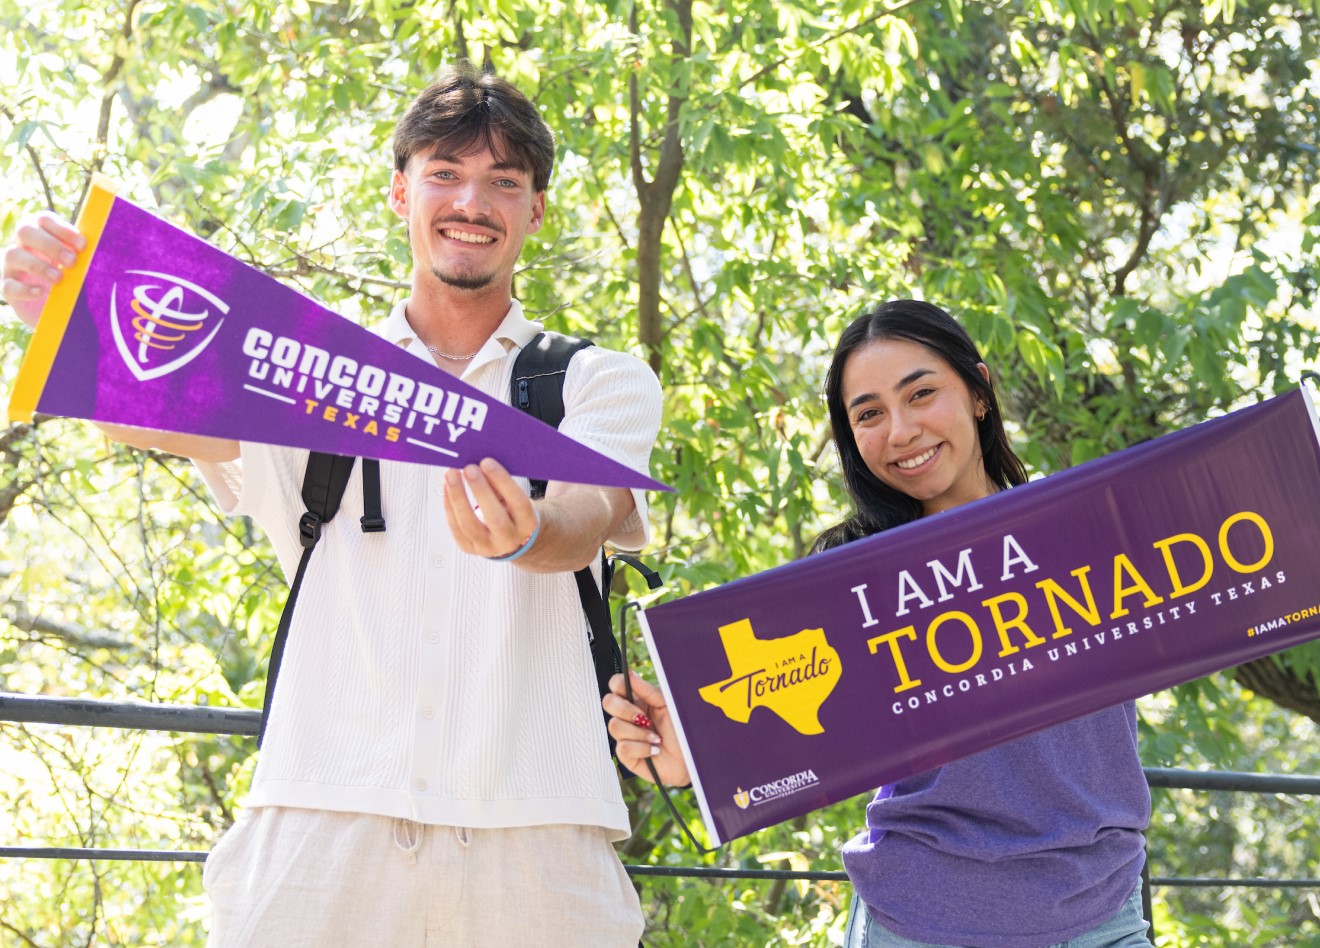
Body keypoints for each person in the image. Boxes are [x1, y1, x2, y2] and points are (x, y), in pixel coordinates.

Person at [3, 62, 661, 946]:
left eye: (504, 182)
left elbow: (588, 520)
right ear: (400, 192)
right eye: (445, 174)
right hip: (318, 830)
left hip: (538, 843)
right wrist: (72, 309)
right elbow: (143, 412)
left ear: (534, 211)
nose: (473, 200)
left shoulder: (597, 381)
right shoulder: (306, 375)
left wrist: (529, 533)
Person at [604, 299, 1153, 948]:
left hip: (1104, 915)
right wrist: (691, 756)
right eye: (869, 414)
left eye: (921, 394)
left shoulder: (1090, 526)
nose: (900, 430)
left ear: (979, 392)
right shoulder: (844, 580)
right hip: (924, 921)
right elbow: (785, 734)